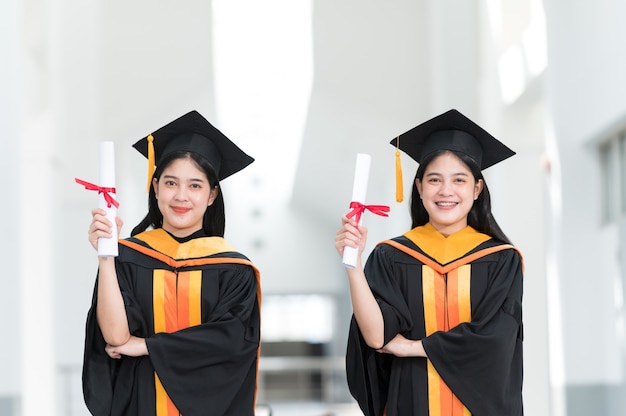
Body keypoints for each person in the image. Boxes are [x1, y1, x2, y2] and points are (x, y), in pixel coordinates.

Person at [335, 109, 524, 416]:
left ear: (477, 189)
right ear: (420, 188)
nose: (446, 191)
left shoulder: (501, 259)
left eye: (459, 180)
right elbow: (376, 337)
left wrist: (413, 347)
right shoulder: (392, 256)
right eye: (434, 180)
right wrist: (353, 264)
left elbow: (495, 341)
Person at [82, 110, 262, 416]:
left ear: (211, 195)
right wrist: (106, 257)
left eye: (195, 185)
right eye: (170, 183)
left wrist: (147, 346)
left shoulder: (233, 269)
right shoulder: (128, 257)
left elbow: (230, 343)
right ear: (155, 187)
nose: (181, 196)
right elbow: (114, 338)